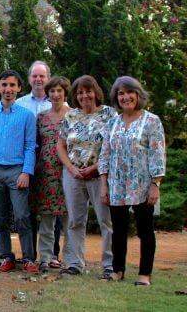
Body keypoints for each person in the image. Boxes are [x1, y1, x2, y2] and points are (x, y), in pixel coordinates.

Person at [99, 76, 165, 286]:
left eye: (129, 92)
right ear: (116, 98)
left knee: (145, 231)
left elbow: (158, 153)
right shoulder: (112, 123)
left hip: (143, 184)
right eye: (120, 93)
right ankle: (118, 270)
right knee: (118, 231)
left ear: (138, 94)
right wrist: (104, 183)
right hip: (116, 185)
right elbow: (105, 155)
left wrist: (156, 184)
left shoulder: (151, 121)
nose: (125, 97)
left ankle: (144, 274)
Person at [0, 70, 39, 273]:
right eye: (4, 85)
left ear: (19, 88)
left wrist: (26, 172)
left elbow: (30, 146)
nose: (8, 89)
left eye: (12, 85)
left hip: (17, 171)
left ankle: (29, 258)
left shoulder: (27, 115)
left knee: (22, 216)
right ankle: (6, 257)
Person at [56, 75, 116, 277]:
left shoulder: (109, 114)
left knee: (106, 221)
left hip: (101, 175)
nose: (84, 96)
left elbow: (114, 147)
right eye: (80, 92)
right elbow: (61, 145)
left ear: (96, 92)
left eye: (88, 91)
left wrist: (95, 168)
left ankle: (110, 265)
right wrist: (71, 169)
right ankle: (75, 263)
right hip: (73, 175)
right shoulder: (70, 116)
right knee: (75, 220)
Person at [32, 76, 70, 271]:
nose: (55, 95)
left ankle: (71, 260)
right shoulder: (41, 117)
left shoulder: (73, 115)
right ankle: (45, 257)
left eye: (59, 91)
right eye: (52, 91)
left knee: (69, 219)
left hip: (67, 171)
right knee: (46, 219)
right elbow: (36, 144)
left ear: (65, 93)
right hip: (45, 172)